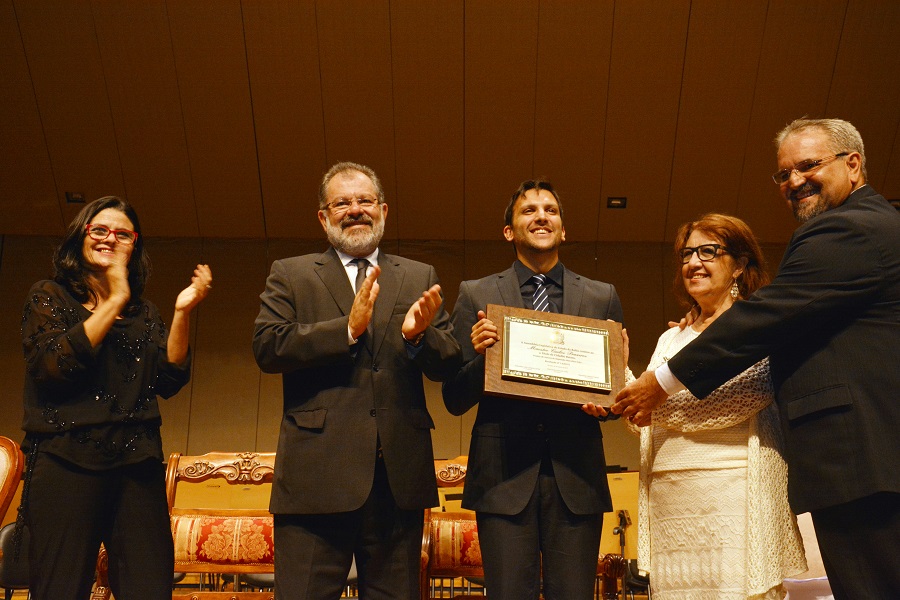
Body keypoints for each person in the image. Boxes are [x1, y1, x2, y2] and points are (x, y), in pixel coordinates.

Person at [612, 118, 900, 599]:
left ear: (853, 165)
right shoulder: (673, 335)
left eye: (808, 166)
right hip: (857, 462)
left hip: (863, 457)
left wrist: (658, 384)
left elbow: (768, 318)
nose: (794, 181)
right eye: (783, 174)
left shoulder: (849, 228)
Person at [252, 161, 461, 600]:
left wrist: (418, 336)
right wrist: (346, 330)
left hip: (397, 481)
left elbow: (449, 363)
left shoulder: (418, 275)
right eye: (342, 203)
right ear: (323, 217)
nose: (355, 210)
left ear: (383, 210)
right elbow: (268, 347)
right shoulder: (291, 273)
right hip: (316, 479)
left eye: (365, 200)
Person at [20, 196, 212, 600]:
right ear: (80, 236)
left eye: (123, 234)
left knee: (149, 586)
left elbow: (169, 378)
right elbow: (54, 366)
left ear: (134, 245)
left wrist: (182, 313)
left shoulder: (144, 312)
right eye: (100, 230)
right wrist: (114, 299)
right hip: (64, 461)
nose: (110, 238)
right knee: (59, 587)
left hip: (136, 463)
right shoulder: (49, 296)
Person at [442, 180, 623, 600]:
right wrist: (483, 358)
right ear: (509, 231)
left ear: (564, 230)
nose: (541, 216)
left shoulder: (602, 296)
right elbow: (453, 397)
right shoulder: (476, 293)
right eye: (529, 210)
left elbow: (615, 395)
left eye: (550, 210)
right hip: (502, 478)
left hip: (576, 476)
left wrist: (609, 406)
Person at [618, 213, 806, 599]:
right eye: (687, 254)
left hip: (732, 498)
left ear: (738, 265)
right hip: (670, 505)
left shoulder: (754, 328)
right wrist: (619, 375)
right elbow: (640, 421)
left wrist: (653, 401)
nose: (693, 263)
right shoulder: (670, 339)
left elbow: (739, 398)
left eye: (708, 252)